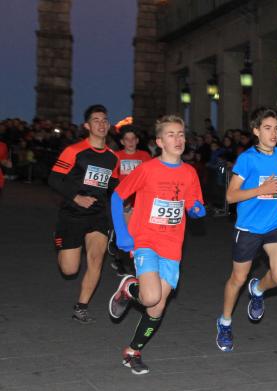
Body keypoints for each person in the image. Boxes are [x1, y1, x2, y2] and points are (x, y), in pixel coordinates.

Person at [107, 115, 205, 374]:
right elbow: (117, 197)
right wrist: (123, 234)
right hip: (145, 240)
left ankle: (132, 351)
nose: (178, 139)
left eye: (181, 134)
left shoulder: (189, 172)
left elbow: (192, 202)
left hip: (172, 245)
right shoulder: (147, 169)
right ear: (160, 142)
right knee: (151, 296)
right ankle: (131, 288)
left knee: (157, 306)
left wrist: (196, 209)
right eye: (171, 135)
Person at [213, 108, 277, 352]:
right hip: (248, 228)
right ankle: (225, 322)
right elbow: (230, 196)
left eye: (276, 128)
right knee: (238, 278)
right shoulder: (247, 159)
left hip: (273, 225)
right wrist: (261, 190)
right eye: (267, 128)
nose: (273, 133)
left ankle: (258, 290)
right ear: (256, 131)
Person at [48, 104, 120, 324]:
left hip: (98, 215)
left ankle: (81, 307)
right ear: (87, 126)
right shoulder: (74, 151)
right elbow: (54, 179)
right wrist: (76, 197)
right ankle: (60, 238)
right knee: (69, 270)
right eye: (96, 120)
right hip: (72, 213)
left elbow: (114, 185)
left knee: (96, 260)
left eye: (104, 120)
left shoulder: (112, 158)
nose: (101, 124)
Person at [111, 125, 152, 275]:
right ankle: (122, 260)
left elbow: (150, 178)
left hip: (141, 200)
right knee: (127, 234)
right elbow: (112, 181)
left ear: (137, 140)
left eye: (133, 139)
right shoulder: (116, 156)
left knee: (140, 234)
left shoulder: (145, 156)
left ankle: (137, 264)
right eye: (127, 139)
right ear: (122, 141)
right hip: (124, 200)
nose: (130, 142)